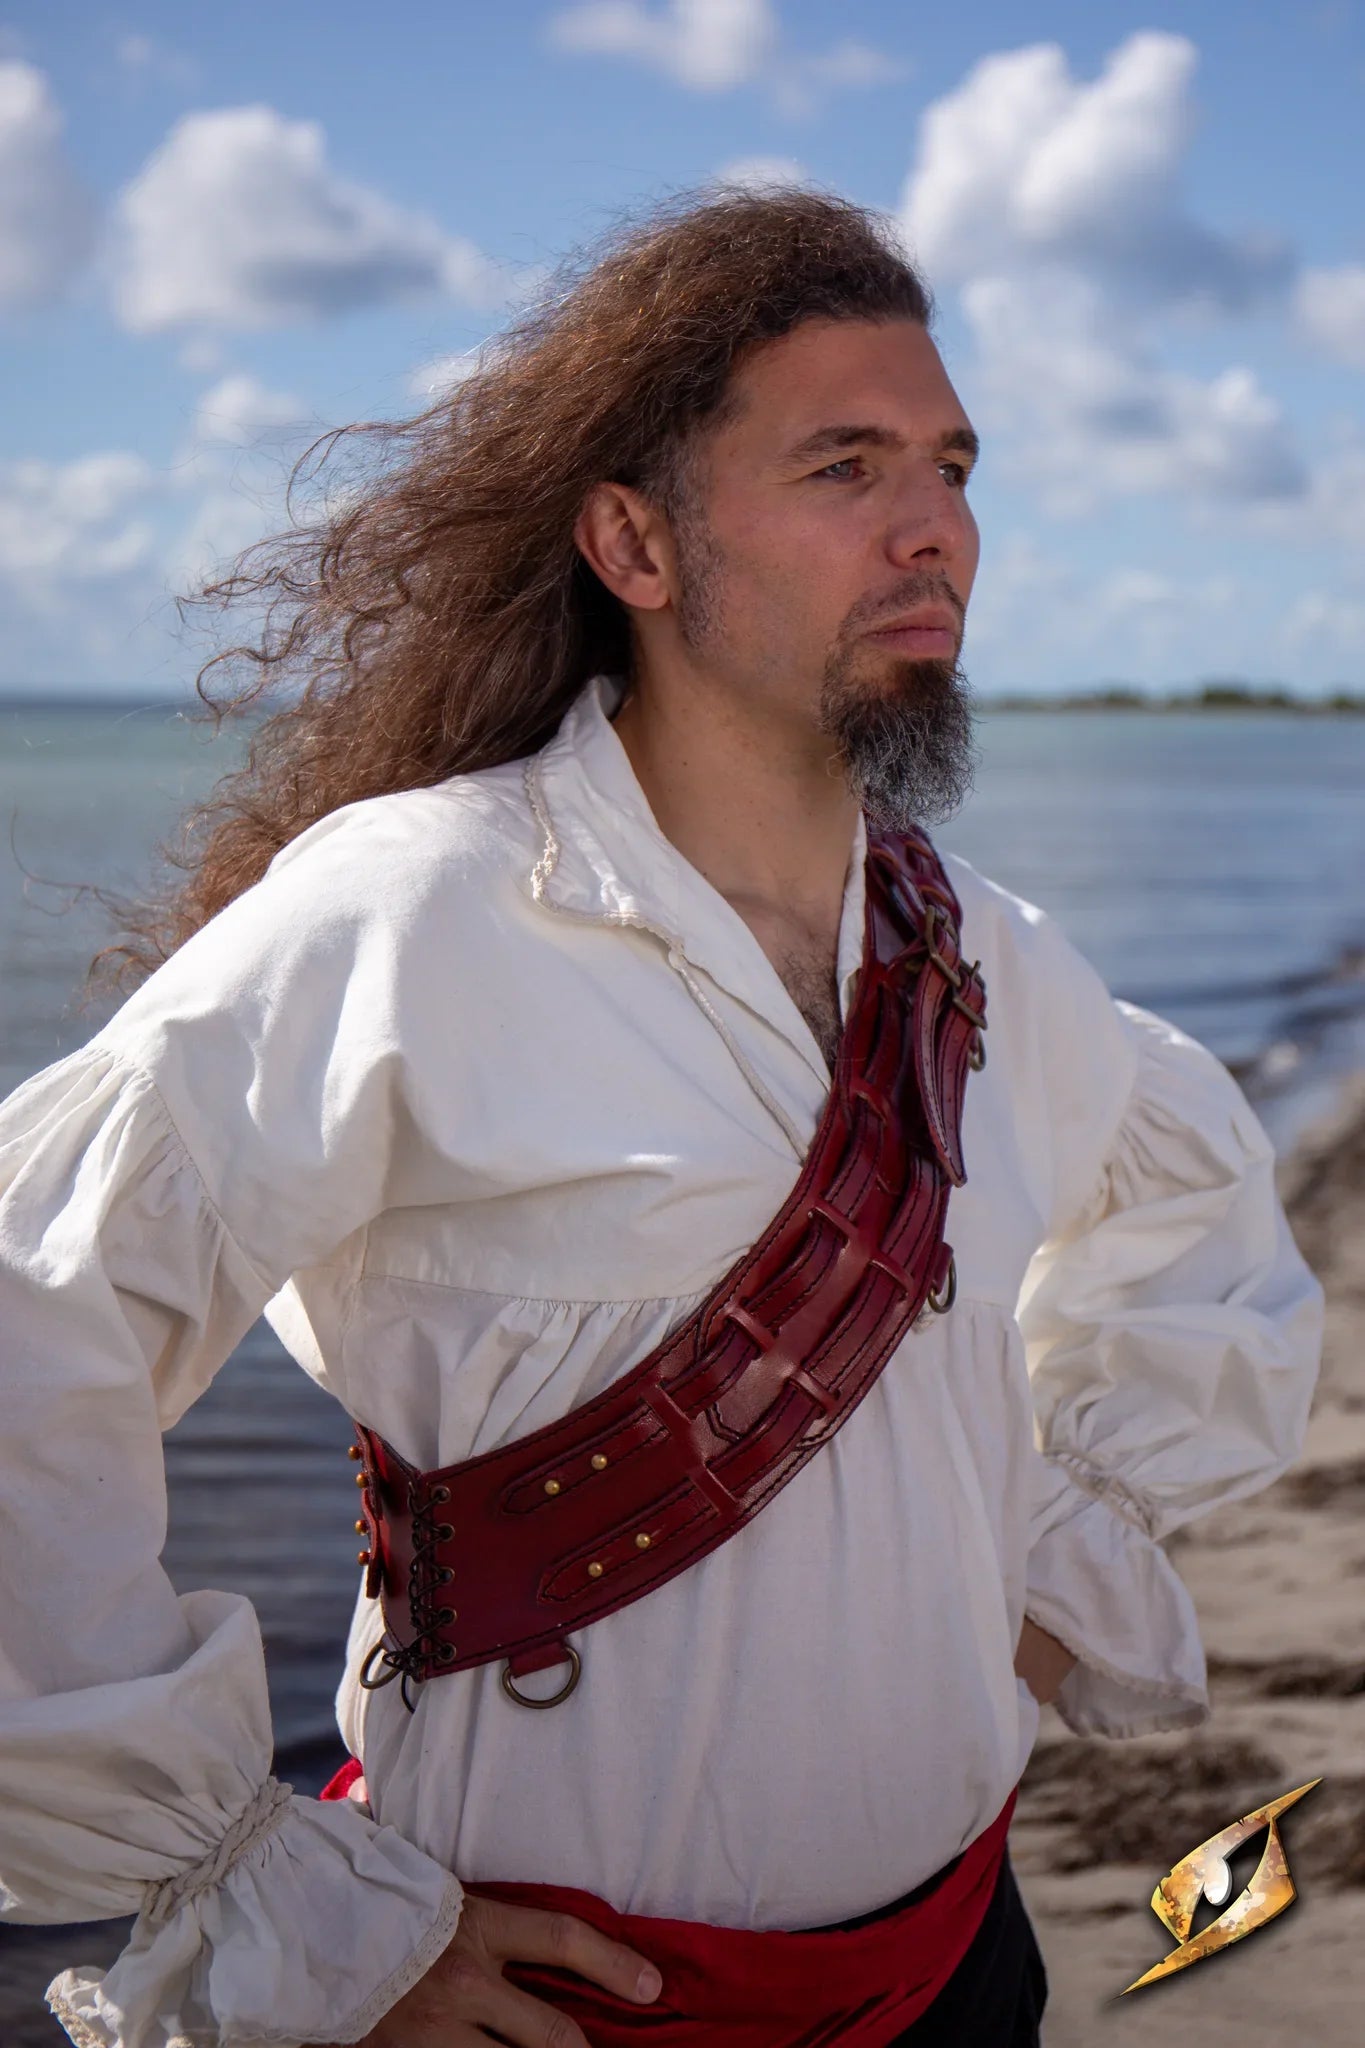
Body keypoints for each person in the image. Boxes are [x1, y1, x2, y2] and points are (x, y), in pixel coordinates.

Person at [0, 190, 1322, 2048]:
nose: (932, 523)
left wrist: (1044, 1548)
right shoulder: (418, 908)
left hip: (957, 1970)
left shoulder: (993, 963)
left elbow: (1201, 1215)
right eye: (842, 465)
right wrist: (248, 1876)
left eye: (948, 466)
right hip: (543, 2005)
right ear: (633, 536)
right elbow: (26, 1305)